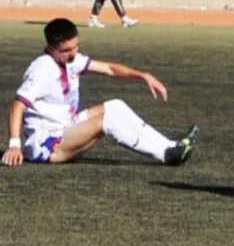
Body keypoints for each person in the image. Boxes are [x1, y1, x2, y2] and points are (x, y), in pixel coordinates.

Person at [3, 18, 199, 168]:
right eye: (67, 50)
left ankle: (171, 146)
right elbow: (17, 106)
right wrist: (14, 144)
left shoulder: (70, 60)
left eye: (76, 46)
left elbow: (110, 69)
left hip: (66, 128)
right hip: (46, 145)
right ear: (51, 48)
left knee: (115, 105)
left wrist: (142, 75)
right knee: (105, 121)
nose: (73, 53)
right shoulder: (42, 69)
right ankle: (164, 155)